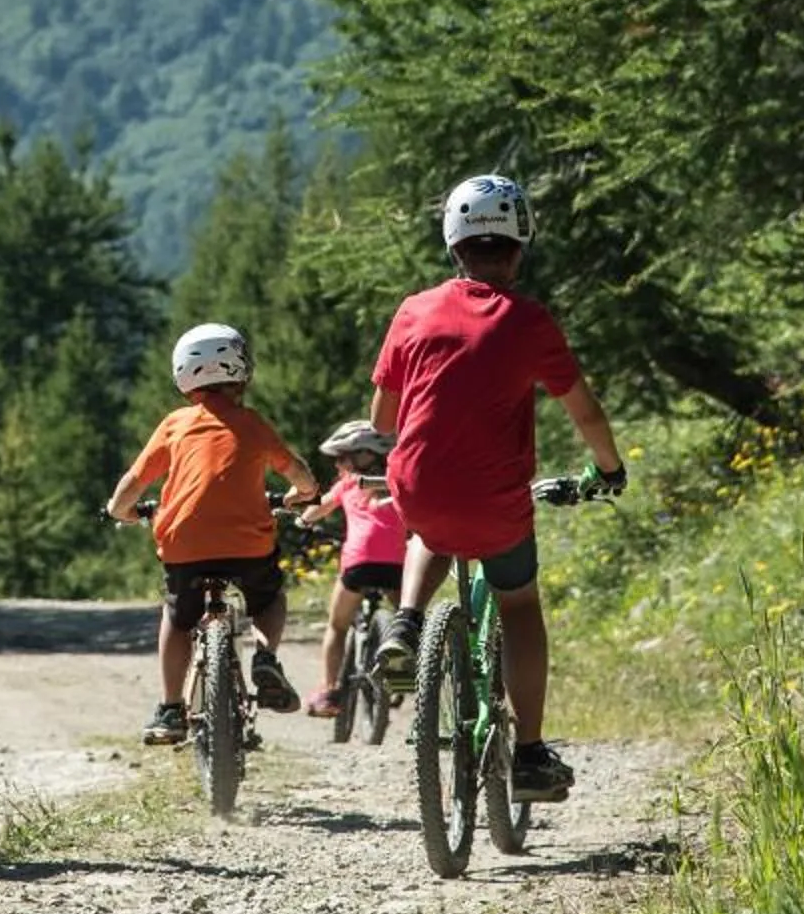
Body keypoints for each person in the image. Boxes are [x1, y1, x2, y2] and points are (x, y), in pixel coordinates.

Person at [367, 174, 627, 802]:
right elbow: (585, 413)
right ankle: (532, 755)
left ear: (453, 246)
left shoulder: (414, 310)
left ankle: (404, 623)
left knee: (428, 525)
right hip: (495, 502)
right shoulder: (529, 320)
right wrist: (609, 470)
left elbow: (380, 421)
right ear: (518, 247)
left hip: (420, 485)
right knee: (519, 605)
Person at [104, 323, 316, 746]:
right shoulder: (253, 424)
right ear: (242, 372)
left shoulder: (175, 424)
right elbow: (302, 477)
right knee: (269, 596)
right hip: (248, 544)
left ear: (182, 374)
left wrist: (119, 510)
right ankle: (266, 657)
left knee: (178, 617)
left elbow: (134, 480)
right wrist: (299, 495)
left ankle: (170, 709)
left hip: (185, 544)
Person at [293, 418, 405, 717]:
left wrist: (302, 520)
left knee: (337, 626)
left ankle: (329, 690)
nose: (339, 463)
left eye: (344, 457)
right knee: (406, 620)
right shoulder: (397, 482)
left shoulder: (348, 485)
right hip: (396, 565)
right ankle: (407, 669)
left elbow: (318, 508)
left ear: (366, 455)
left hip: (359, 563)